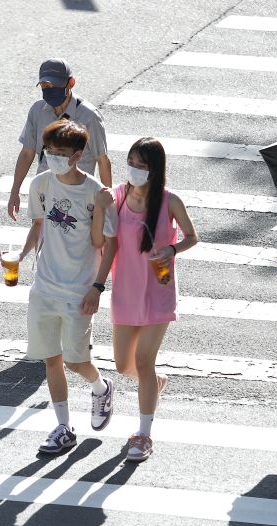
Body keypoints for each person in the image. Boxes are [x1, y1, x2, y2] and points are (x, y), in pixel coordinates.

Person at [92, 137, 198, 462]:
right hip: (125, 291)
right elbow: (99, 238)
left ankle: (144, 434)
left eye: (142, 165)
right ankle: (154, 383)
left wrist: (172, 249)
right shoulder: (118, 198)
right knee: (125, 365)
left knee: (143, 361)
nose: (135, 170)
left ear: (156, 169)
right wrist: (98, 206)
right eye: (132, 163)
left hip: (158, 292)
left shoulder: (170, 201)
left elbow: (193, 237)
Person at [17, 118, 118, 454]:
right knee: (51, 358)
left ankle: (101, 387)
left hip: (79, 289)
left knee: (75, 361)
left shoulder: (96, 193)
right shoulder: (41, 184)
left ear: (78, 155)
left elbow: (105, 243)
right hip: (44, 286)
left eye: (61, 152)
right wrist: (20, 254)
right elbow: (38, 226)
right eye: (50, 151)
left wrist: (98, 287)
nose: (53, 157)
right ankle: (63, 427)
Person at [8, 57, 112, 222]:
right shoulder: (37, 110)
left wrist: (108, 202)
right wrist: (15, 191)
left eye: (54, 85)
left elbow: (102, 160)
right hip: (45, 190)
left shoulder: (89, 116)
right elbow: (27, 153)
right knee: (41, 239)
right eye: (45, 86)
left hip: (78, 194)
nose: (50, 89)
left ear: (71, 83)